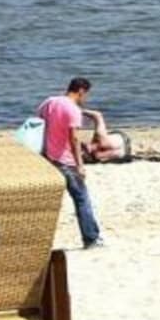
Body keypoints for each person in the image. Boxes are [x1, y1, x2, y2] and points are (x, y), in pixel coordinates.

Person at [37, 78, 103, 249]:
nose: (85, 98)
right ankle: (91, 239)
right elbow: (75, 138)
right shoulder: (73, 110)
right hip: (66, 161)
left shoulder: (48, 102)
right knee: (81, 199)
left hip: (46, 158)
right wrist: (80, 164)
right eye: (86, 95)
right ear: (81, 91)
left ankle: (37, 240)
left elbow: (40, 124)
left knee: (47, 202)